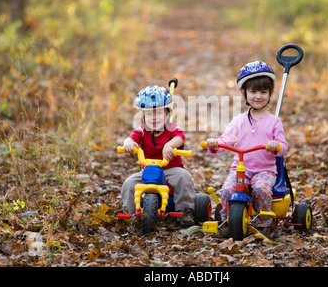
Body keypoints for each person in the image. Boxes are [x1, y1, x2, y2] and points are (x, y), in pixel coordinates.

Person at [205, 61, 288, 233]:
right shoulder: (239, 120)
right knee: (227, 189)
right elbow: (226, 140)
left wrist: (276, 146)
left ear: (270, 93)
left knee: (261, 189)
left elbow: (283, 147)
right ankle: (225, 220)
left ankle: (263, 221)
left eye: (263, 92)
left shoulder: (274, 122)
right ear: (244, 93)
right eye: (253, 91)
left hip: (264, 170)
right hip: (241, 168)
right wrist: (215, 144)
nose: (258, 96)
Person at [121, 85, 195, 227]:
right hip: (147, 171)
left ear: (168, 114)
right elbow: (131, 138)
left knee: (184, 177)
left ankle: (185, 210)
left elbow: (180, 137)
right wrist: (128, 143)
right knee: (129, 183)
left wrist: (170, 145)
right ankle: (129, 213)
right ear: (143, 117)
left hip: (170, 169)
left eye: (159, 113)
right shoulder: (142, 130)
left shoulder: (172, 127)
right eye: (149, 114)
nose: (154, 118)